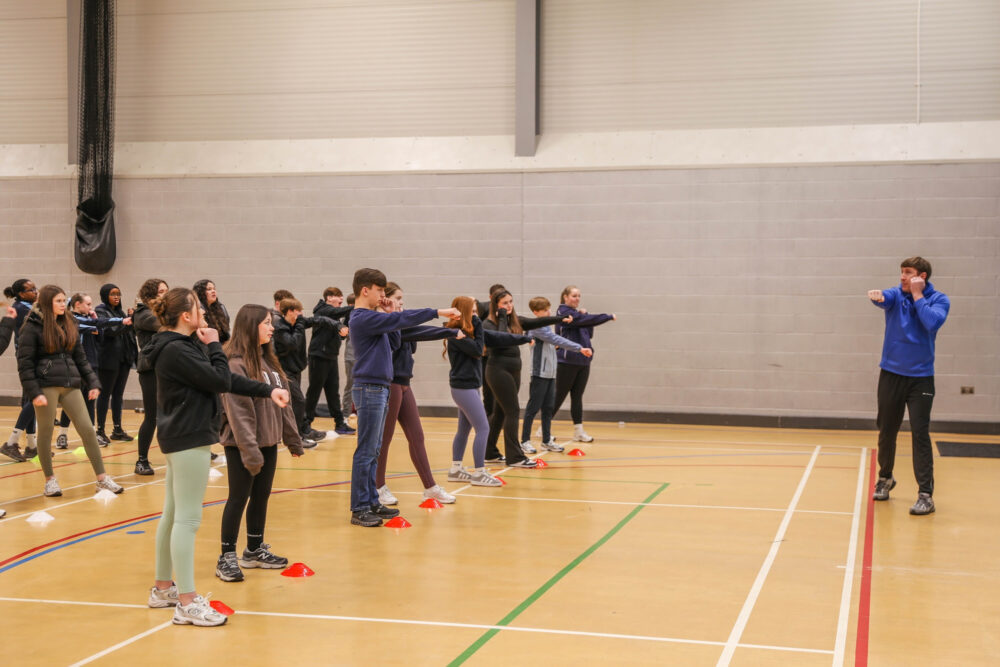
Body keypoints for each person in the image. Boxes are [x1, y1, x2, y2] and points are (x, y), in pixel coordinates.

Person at [143, 287, 288, 626]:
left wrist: (269, 390)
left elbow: (228, 380)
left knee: (173, 514)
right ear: (186, 316)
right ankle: (187, 602)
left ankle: (163, 587)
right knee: (187, 519)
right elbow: (221, 379)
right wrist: (212, 345)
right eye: (201, 311)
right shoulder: (178, 350)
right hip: (188, 437)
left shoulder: (176, 347)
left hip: (180, 435)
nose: (206, 317)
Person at [346, 268, 459, 527]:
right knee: (365, 451)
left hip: (380, 387)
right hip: (369, 388)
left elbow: (395, 342)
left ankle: (372, 500)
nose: (382, 296)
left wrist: (390, 313)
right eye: (379, 291)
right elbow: (404, 321)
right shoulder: (361, 317)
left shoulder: (376, 318)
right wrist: (437, 312)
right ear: (366, 290)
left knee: (374, 449)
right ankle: (359, 507)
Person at [216, 304, 305, 583]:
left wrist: (292, 439)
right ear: (250, 326)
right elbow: (239, 413)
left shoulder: (269, 363)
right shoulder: (236, 363)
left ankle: (254, 549)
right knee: (238, 497)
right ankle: (226, 556)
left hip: (268, 441)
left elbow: (284, 406)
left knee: (261, 496)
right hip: (242, 444)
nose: (272, 327)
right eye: (266, 323)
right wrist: (250, 450)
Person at [15, 284, 123, 497]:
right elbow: (25, 363)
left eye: (64, 300)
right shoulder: (32, 325)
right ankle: (50, 481)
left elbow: (80, 357)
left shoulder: (70, 321)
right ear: (47, 303)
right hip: (46, 385)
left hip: (71, 383)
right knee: (45, 433)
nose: (63, 304)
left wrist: (93, 382)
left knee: (87, 429)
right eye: (58, 301)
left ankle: (102, 478)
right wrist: (34, 391)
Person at [868, 257, 950, 516]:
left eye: (908, 273)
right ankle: (885, 478)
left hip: (921, 378)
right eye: (901, 272)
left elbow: (931, 322)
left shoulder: (939, 300)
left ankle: (925, 494)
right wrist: (877, 296)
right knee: (887, 430)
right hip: (891, 375)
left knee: (920, 433)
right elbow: (884, 298)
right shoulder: (896, 294)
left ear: (921, 276)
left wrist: (917, 295)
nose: (902, 277)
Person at [375, 282, 461, 506]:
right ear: (387, 300)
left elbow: (414, 332)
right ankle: (377, 487)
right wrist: (449, 331)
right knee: (385, 439)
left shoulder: (400, 321)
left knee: (417, 436)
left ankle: (430, 487)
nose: (402, 303)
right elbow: (420, 332)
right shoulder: (387, 323)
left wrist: (450, 331)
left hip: (405, 383)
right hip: (391, 384)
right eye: (398, 298)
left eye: (403, 299)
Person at [444, 296, 525, 487]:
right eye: (471, 312)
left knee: (463, 429)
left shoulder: (468, 331)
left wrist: (524, 338)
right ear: (462, 312)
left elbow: (497, 338)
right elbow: (478, 349)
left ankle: (455, 469)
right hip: (463, 388)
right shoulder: (456, 333)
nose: (475, 316)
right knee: (483, 428)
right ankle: (479, 472)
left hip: (469, 386)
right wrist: (479, 325)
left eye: (476, 312)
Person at [522, 296, 592, 454]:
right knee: (532, 408)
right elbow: (555, 339)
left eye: (549, 309)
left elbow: (552, 343)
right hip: (539, 373)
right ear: (535, 312)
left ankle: (546, 440)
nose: (548, 312)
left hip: (550, 373)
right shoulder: (537, 327)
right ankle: (525, 440)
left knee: (547, 409)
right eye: (544, 310)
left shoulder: (546, 326)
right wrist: (579, 348)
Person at [54, 293, 121, 449]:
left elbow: (100, 339)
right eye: (88, 304)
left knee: (90, 401)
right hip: (75, 366)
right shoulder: (70, 320)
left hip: (92, 365)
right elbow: (90, 329)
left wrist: (94, 319)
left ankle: (91, 435)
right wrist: (95, 324)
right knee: (70, 402)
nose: (91, 307)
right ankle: (62, 434)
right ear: (77, 304)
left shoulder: (91, 320)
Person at [481, 290, 540, 467]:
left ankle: (489, 452)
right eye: (505, 303)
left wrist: (561, 319)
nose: (509, 306)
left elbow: (538, 321)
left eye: (511, 302)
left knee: (500, 412)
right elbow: (502, 339)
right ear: (496, 305)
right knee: (512, 411)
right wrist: (502, 319)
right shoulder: (489, 324)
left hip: (512, 370)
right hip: (498, 370)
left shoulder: (512, 321)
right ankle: (515, 457)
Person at [552, 286, 616, 443]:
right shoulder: (563, 312)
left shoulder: (578, 315)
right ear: (565, 297)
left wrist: (586, 318)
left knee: (577, 396)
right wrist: (606, 316)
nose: (577, 299)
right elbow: (581, 322)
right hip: (567, 361)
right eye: (574, 296)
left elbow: (589, 332)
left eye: (579, 296)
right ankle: (544, 428)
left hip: (583, 361)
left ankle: (578, 431)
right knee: (559, 396)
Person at [273, 297, 337, 444]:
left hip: (295, 369)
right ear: (290, 312)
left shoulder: (297, 323)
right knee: (299, 401)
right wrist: (300, 325)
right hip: (284, 371)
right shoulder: (280, 328)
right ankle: (297, 437)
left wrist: (337, 326)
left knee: (295, 403)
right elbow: (293, 343)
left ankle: (303, 431)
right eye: (298, 311)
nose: (301, 314)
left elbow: (320, 320)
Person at [305, 287, 354, 436]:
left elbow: (339, 336)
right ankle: (305, 424)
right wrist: (356, 306)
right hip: (318, 356)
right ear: (329, 297)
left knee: (333, 392)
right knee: (314, 390)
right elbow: (336, 312)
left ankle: (339, 423)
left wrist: (344, 329)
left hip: (331, 356)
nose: (341, 299)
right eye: (338, 296)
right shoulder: (323, 310)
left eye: (341, 297)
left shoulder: (335, 314)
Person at [132, 278, 169, 474]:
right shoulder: (143, 314)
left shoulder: (163, 312)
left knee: (172, 413)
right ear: (151, 294)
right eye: (162, 291)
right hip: (150, 370)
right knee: (152, 416)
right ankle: (141, 460)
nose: (166, 294)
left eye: (167, 291)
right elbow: (165, 326)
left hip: (167, 368)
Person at [94, 283, 138, 443]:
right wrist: (126, 323)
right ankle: (100, 430)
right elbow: (110, 331)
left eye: (118, 293)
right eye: (113, 294)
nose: (116, 296)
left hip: (123, 359)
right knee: (105, 395)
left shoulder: (120, 312)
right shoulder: (100, 311)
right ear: (106, 295)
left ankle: (117, 429)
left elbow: (130, 331)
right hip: (108, 360)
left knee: (118, 395)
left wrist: (132, 320)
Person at [2, 278, 39, 462]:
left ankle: (32, 446)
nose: (35, 292)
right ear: (21, 294)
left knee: (31, 400)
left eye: (35, 288)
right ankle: (11, 442)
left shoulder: (27, 307)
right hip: (28, 359)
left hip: (34, 358)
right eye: (31, 290)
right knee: (36, 399)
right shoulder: (22, 309)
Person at [193, 279, 231, 345]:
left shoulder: (221, 307)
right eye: (209, 289)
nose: (213, 291)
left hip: (222, 344)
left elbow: (226, 330)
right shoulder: (198, 309)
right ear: (201, 292)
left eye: (214, 289)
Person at [341, 293, 357, 427]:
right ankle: (345, 414)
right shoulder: (347, 318)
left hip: (363, 357)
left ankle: (357, 410)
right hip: (351, 356)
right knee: (350, 386)